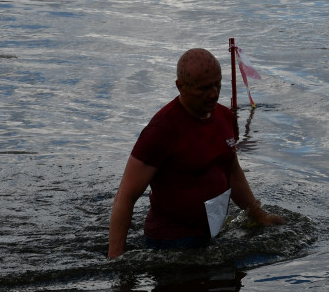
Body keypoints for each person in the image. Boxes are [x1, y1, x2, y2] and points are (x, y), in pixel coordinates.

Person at [108, 48, 284, 258]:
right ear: (180, 87)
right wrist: (115, 260)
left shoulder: (225, 117)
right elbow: (125, 196)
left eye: (217, 84)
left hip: (214, 235)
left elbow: (233, 172)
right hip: (170, 245)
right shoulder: (161, 131)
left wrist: (259, 216)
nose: (213, 94)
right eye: (203, 89)